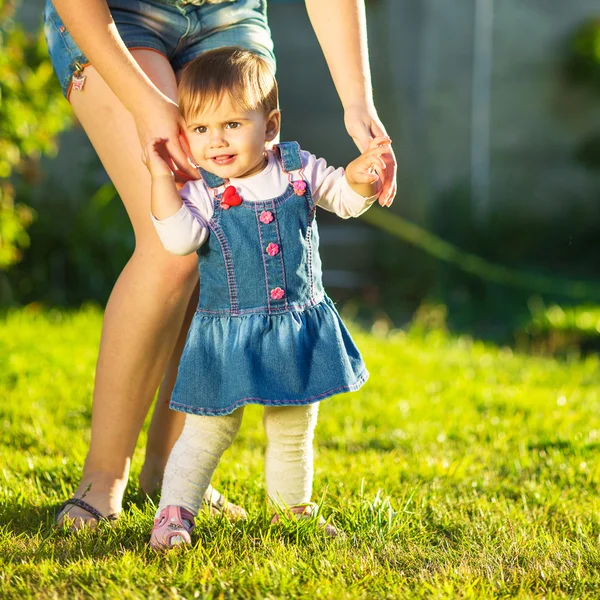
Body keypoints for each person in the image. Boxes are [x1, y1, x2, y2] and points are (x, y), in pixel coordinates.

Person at [45, 0, 397, 528]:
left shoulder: (298, 164)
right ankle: (102, 478)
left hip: (230, 15)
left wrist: (359, 104)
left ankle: (170, 474)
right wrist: (147, 105)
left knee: (223, 243)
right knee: (174, 250)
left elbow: (339, 191)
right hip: (118, 15)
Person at [144, 46, 392, 548]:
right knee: (209, 429)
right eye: (201, 130)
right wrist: (158, 181)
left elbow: (343, 198)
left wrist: (361, 178)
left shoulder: (299, 170)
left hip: (295, 326)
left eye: (232, 125)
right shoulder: (201, 191)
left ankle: (290, 510)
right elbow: (178, 241)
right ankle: (174, 512)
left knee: (293, 424)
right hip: (228, 334)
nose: (216, 141)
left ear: (270, 124)